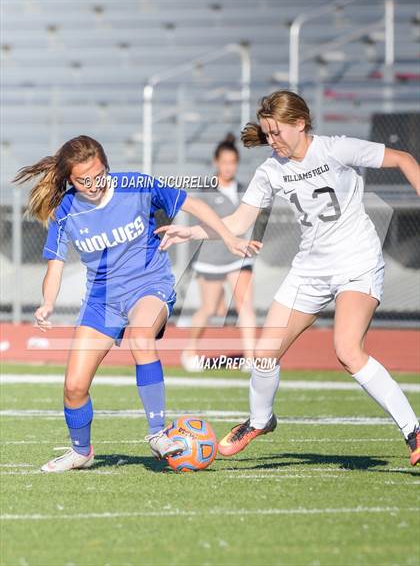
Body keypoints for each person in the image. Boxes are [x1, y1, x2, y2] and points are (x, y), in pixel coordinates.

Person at [156, 90, 420, 466]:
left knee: (347, 351)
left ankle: (414, 430)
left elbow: (403, 159)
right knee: (265, 355)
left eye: (277, 132)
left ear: (300, 124)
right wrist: (194, 232)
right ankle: (260, 421)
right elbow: (239, 222)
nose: (272, 140)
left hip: (356, 262)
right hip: (309, 269)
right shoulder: (270, 170)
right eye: (267, 133)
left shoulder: (336, 149)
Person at [14, 135, 260, 473]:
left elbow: (194, 205)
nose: (94, 184)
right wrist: (47, 303)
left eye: (99, 175)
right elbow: (54, 266)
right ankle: (80, 452)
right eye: (84, 180)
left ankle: (158, 433)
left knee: (140, 336)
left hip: (149, 285)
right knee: (73, 387)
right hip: (102, 299)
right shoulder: (66, 210)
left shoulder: (135, 185)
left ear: (107, 166)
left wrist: (229, 237)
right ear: (69, 179)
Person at [181, 133, 256, 372]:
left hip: (237, 256)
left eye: (232, 162)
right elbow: (204, 226)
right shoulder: (207, 191)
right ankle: (190, 351)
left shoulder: (244, 190)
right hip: (211, 260)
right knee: (210, 309)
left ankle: (251, 358)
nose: (228, 167)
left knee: (245, 305)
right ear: (216, 162)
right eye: (224, 162)